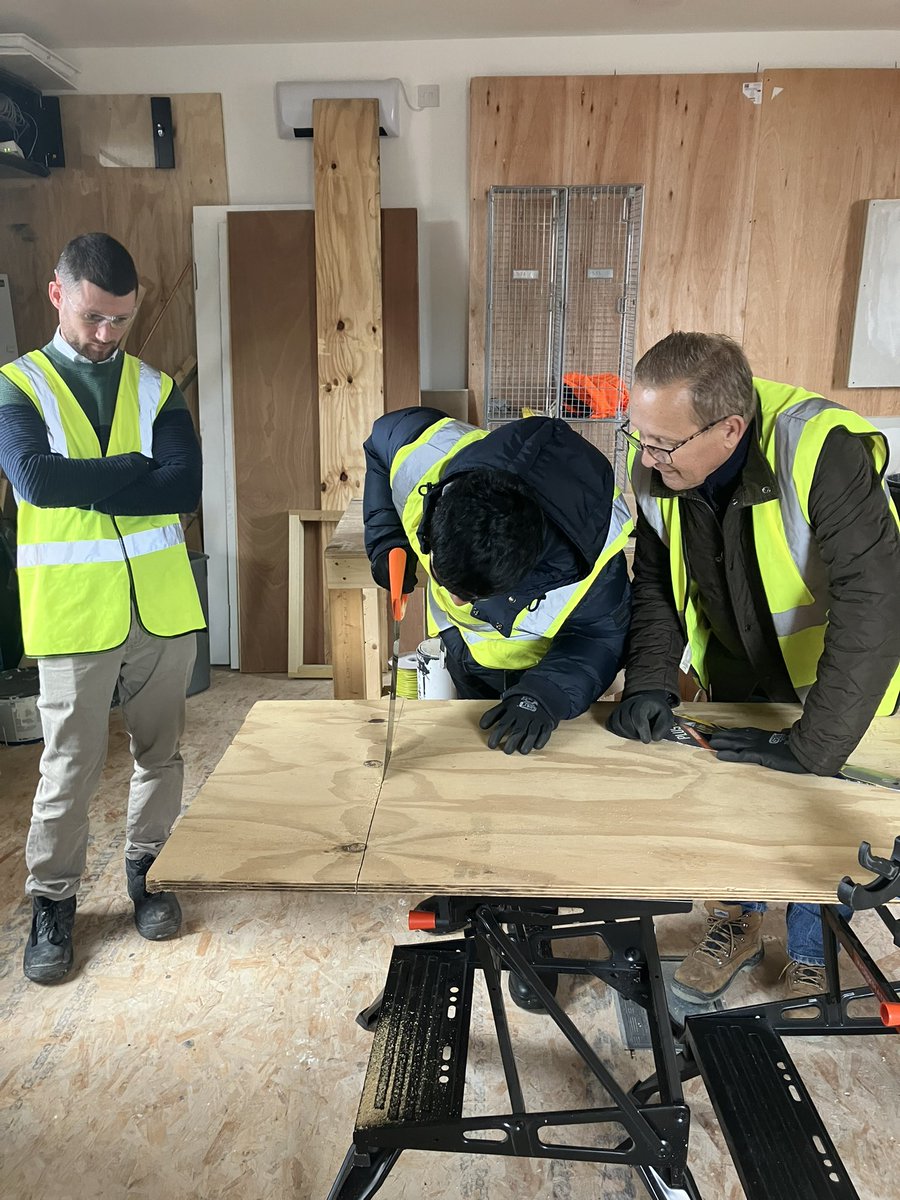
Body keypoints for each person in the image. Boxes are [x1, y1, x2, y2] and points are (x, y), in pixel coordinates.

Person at [607, 331, 900, 1002]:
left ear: (730, 427)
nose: (646, 458)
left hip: (833, 683)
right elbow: (655, 582)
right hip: (737, 670)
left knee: (812, 810)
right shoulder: (658, 462)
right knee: (735, 803)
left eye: (663, 444)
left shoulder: (822, 450)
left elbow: (876, 603)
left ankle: (811, 948)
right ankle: (734, 924)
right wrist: (650, 679)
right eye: (639, 436)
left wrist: (815, 745)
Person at [0, 233, 205, 984]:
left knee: (162, 754)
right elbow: (36, 481)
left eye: (120, 320)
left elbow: (182, 488)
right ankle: (53, 902)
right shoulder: (18, 385)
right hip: (74, 612)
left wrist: (93, 477)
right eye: (93, 316)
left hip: (159, 609)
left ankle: (149, 868)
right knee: (68, 767)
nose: (106, 334)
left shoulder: (156, 388)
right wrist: (132, 469)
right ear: (58, 294)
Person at [363, 406, 632, 754]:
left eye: (470, 594)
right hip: (463, 654)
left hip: (542, 669)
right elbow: (380, 441)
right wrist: (387, 540)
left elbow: (600, 638)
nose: (455, 602)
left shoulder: (594, 562)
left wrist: (545, 694)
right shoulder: (424, 457)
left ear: (527, 571)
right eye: (447, 583)